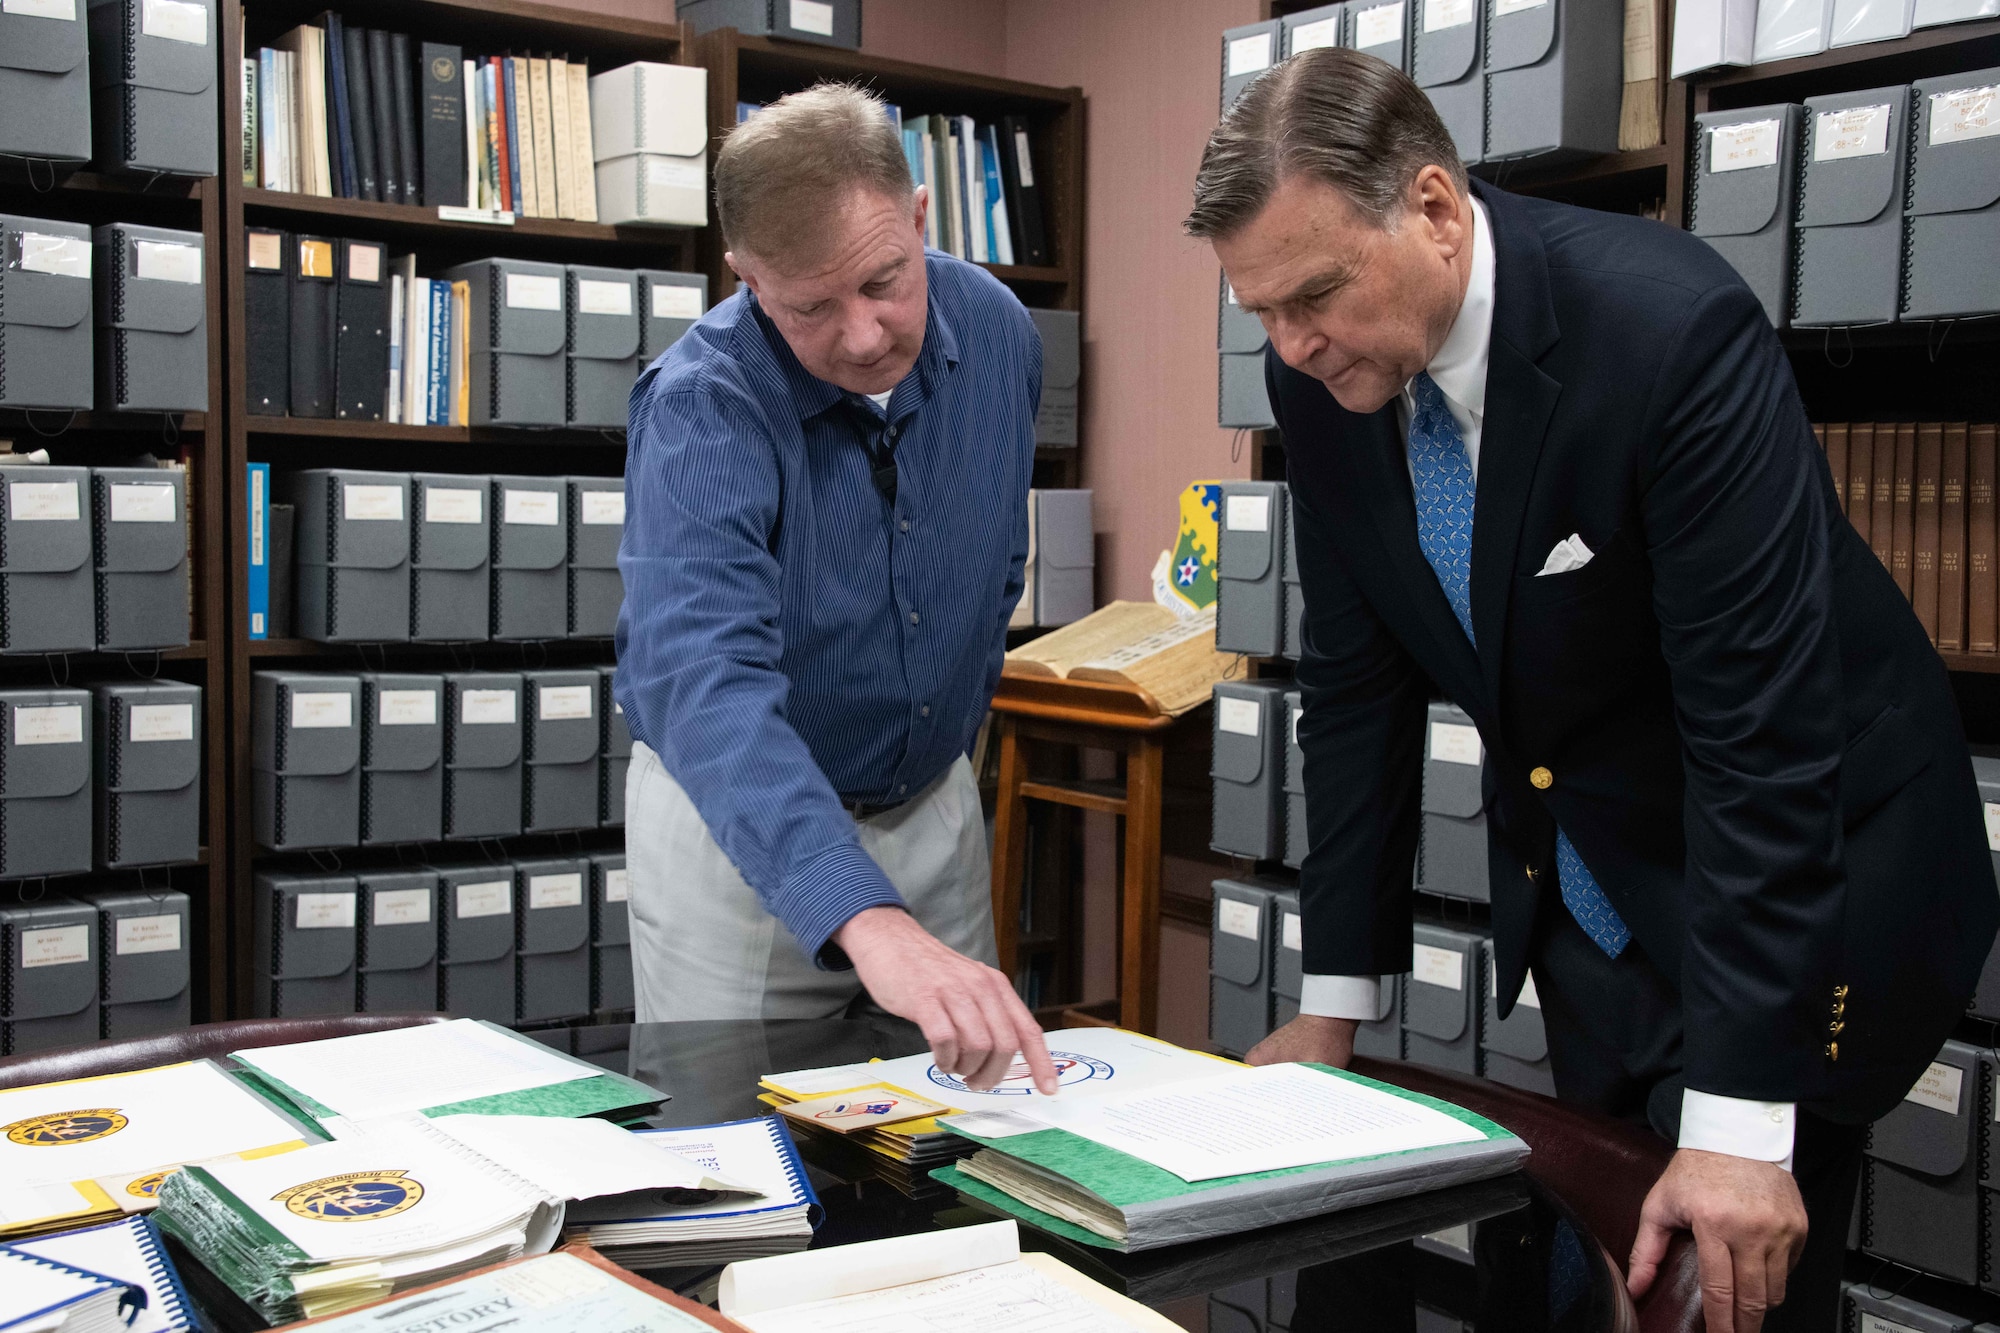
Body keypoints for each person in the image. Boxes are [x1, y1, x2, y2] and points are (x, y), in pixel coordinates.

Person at [1186, 47, 1997, 1333]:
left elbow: (1758, 740)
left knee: (1720, 1285)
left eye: (1315, 295)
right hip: (1595, 887)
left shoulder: (1668, 334)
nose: (1290, 345)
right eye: (1261, 311)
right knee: (1594, 1265)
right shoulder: (1322, 374)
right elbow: (1355, 691)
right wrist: (1332, 1007)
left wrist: (1738, 1125)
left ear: (1436, 210)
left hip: (1811, 885)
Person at [616, 83, 1057, 1095]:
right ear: (746, 278)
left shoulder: (997, 337)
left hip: (929, 806)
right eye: (811, 305)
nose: (861, 335)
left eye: (883, 283)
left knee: (960, 1147)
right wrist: (861, 911)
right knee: (729, 1163)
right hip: (738, 834)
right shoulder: (702, 403)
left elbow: (991, 568)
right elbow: (702, 682)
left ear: (918, 218)